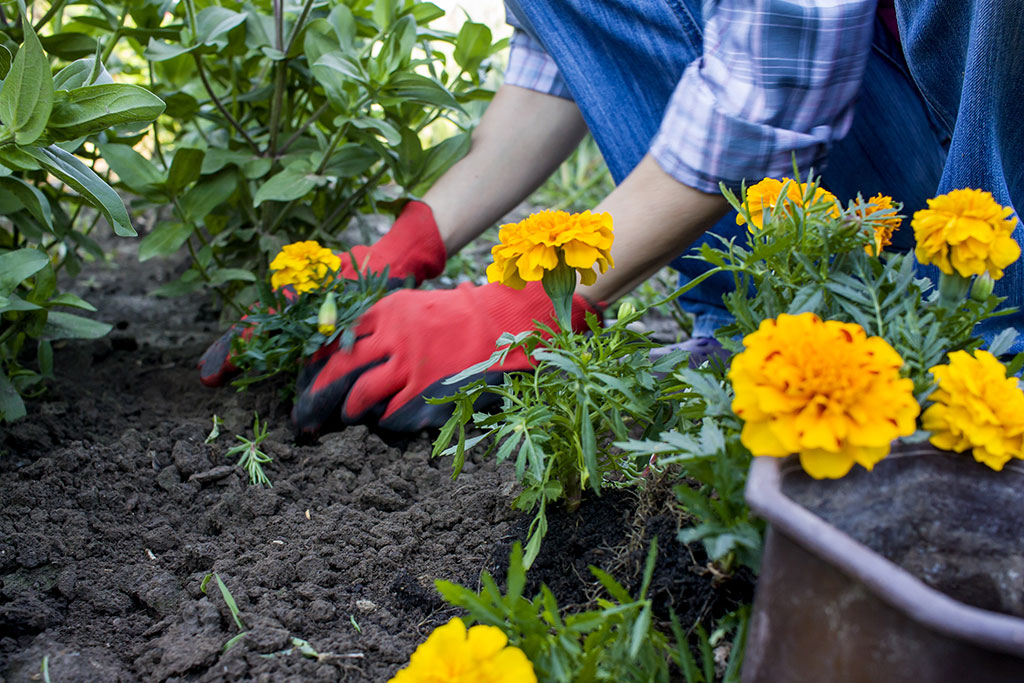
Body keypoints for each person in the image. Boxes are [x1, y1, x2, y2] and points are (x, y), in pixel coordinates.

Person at [199, 0, 1024, 434]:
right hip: (866, 169)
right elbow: (563, 52)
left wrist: (534, 304)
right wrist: (409, 240)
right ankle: (786, 341)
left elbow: (779, 64)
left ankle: (991, 342)